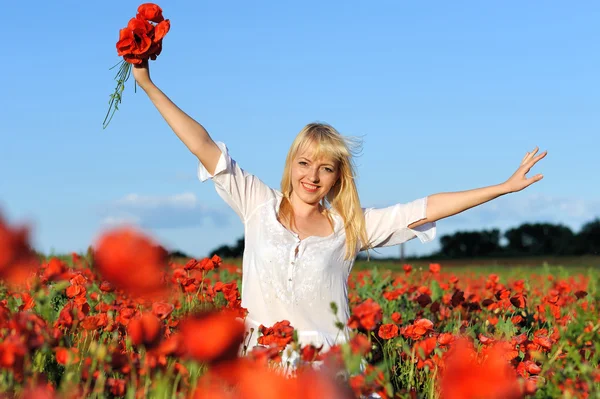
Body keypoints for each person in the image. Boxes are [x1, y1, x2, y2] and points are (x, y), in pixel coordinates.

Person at [132, 62, 547, 363]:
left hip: (328, 369)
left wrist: (504, 187)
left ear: (337, 177)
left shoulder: (350, 226)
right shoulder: (258, 203)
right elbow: (203, 146)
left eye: (325, 168)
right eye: (305, 163)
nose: (312, 176)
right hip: (261, 366)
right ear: (291, 164)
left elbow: (427, 206)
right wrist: (148, 84)